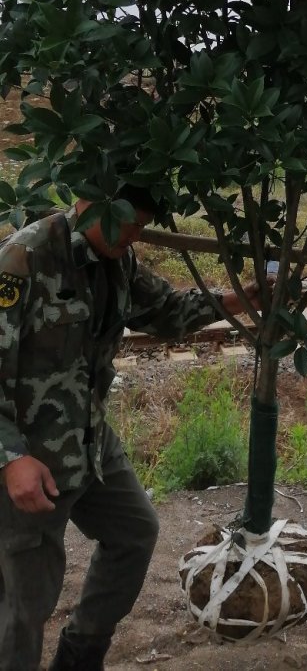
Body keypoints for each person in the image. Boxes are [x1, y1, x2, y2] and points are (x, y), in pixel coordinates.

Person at [0, 187, 265, 671]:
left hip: (91, 445)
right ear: (92, 203)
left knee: (134, 532)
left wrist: (233, 301)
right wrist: (12, 456)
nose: (137, 234)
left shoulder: (117, 257)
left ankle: (79, 657)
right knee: (23, 606)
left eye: (142, 225)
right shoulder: (23, 260)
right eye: (131, 223)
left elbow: (164, 312)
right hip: (31, 460)